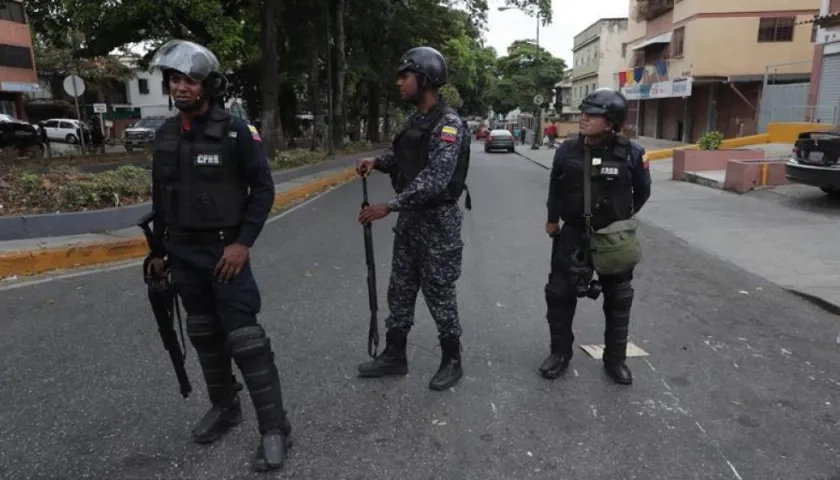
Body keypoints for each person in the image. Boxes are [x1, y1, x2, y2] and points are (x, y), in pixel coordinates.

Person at [145, 39, 291, 471]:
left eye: (189, 79)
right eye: (174, 79)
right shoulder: (166, 134)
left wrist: (242, 243)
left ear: (207, 85)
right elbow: (161, 197)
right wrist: (158, 250)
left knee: (245, 339)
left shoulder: (236, 131)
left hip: (225, 251)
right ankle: (226, 408)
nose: (180, 87)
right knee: (204, 333)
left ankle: (275, 428)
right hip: (182, 252)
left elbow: (263, 190)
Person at [354, 46, 471, 392]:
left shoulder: (449, 124)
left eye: (405, 76)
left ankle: (452, 359)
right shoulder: (414, 121)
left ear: (424, 79)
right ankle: (395, 354)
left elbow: (435, 178)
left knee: (439, 293)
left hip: (438, 225)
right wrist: (377, 161)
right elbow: (403, 158)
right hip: (410, 224)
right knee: (400, 289)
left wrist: (389, 205)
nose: (399, 83)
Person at [539, 88, 651, 385]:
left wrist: (620, 219)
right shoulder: (567, 150)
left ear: (611, 121)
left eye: (592, 114)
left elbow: (642, 191)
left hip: (613, 238)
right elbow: (555, 187)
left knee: (619, 297)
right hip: (573, 233)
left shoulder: (632, 153)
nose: (584, 118)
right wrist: (552, 220)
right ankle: (559, 354)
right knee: (559, 294)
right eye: (583, 112)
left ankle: (615, 361)